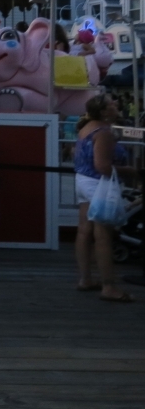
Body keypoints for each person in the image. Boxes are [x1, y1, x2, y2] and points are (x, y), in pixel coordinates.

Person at [73, 94, 136, 302]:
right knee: (103, 236)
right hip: (98, 184)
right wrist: (131, 171)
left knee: (84, 231)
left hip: (83, 181)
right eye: (111, 104)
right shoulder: (104, 133)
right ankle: (109, 286)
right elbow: (102, 165)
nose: (116, 105)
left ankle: (85, 278)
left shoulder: (86, 127)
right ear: (103, 112)